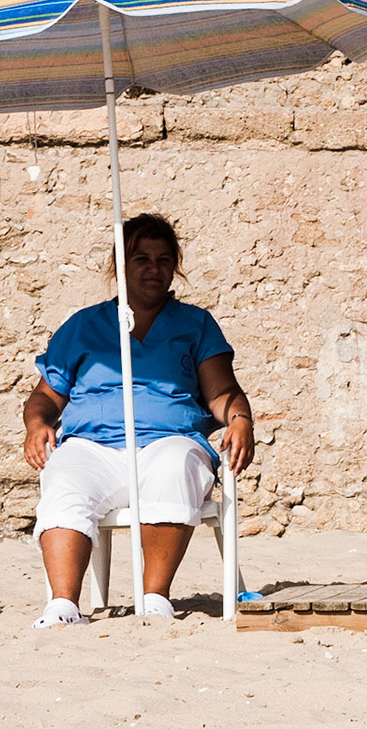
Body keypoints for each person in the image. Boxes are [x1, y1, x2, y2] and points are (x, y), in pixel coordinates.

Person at [24, 212, 254, 627]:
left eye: (164, 260)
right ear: (120, 266)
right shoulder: (83, 326)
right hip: (92, 447)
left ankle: (155, 598)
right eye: (141, 259)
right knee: (64, 476)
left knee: (175, 465)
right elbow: (45, 396)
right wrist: (36, 423)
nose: (154, 269)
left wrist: (239, 418)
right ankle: (63, 605)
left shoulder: (195, 325)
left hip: (169, 440)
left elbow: (222, 392)